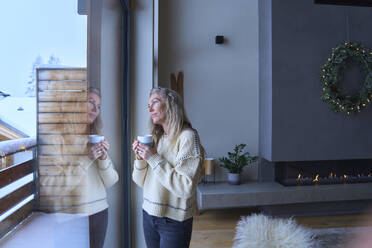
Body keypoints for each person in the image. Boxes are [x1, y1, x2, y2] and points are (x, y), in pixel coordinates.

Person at [132, 87, 204, 248]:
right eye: (148, 105)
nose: (150, 109)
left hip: (174, 221)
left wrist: (152, 157)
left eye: (155, 102)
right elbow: (139, 180)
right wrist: (141, 158)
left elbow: (185, 188)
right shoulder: (157, 138)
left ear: (171, 105)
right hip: (148, 214)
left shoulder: (188, 137)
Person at [86, 87, 119, 248]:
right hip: (74, 214)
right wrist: (88, 158)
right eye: (91, 102)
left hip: (99, 211)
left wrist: (104, 158)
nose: (95, 109)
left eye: (98, 106)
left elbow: (111, 181)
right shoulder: (65, 139)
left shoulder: (96, 136)